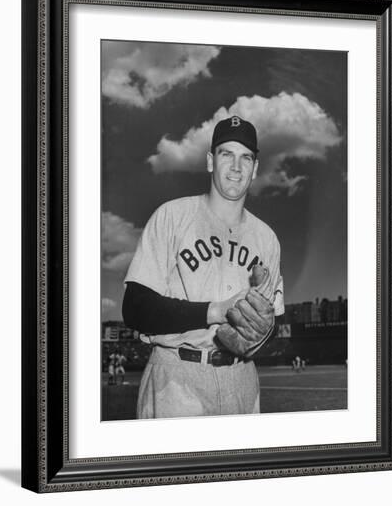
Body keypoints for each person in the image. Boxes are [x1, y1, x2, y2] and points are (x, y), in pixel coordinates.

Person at [122, 115, 284, 419]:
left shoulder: (267, 239)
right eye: (227, 154)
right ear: (211, 161)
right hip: (175, 379)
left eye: (246, 158)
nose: (236, 167)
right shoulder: (172, 216)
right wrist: (217, 310)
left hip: (243, 380)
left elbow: (272, 319)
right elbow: (135, 307)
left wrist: (260, 336)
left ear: (255, 169)